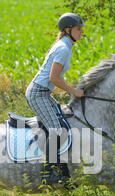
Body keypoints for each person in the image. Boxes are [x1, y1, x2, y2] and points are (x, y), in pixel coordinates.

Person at [26, 13, 85, 185]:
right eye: (78, 29)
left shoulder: (65, 46)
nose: (81, 32)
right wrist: (74, 91)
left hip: (44, 93)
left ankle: (63, 167)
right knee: (56, 129)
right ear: (68, 30)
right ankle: (48, 171)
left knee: (62, 122)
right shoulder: (63, 48)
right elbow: (53, 78)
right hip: (38, 93)